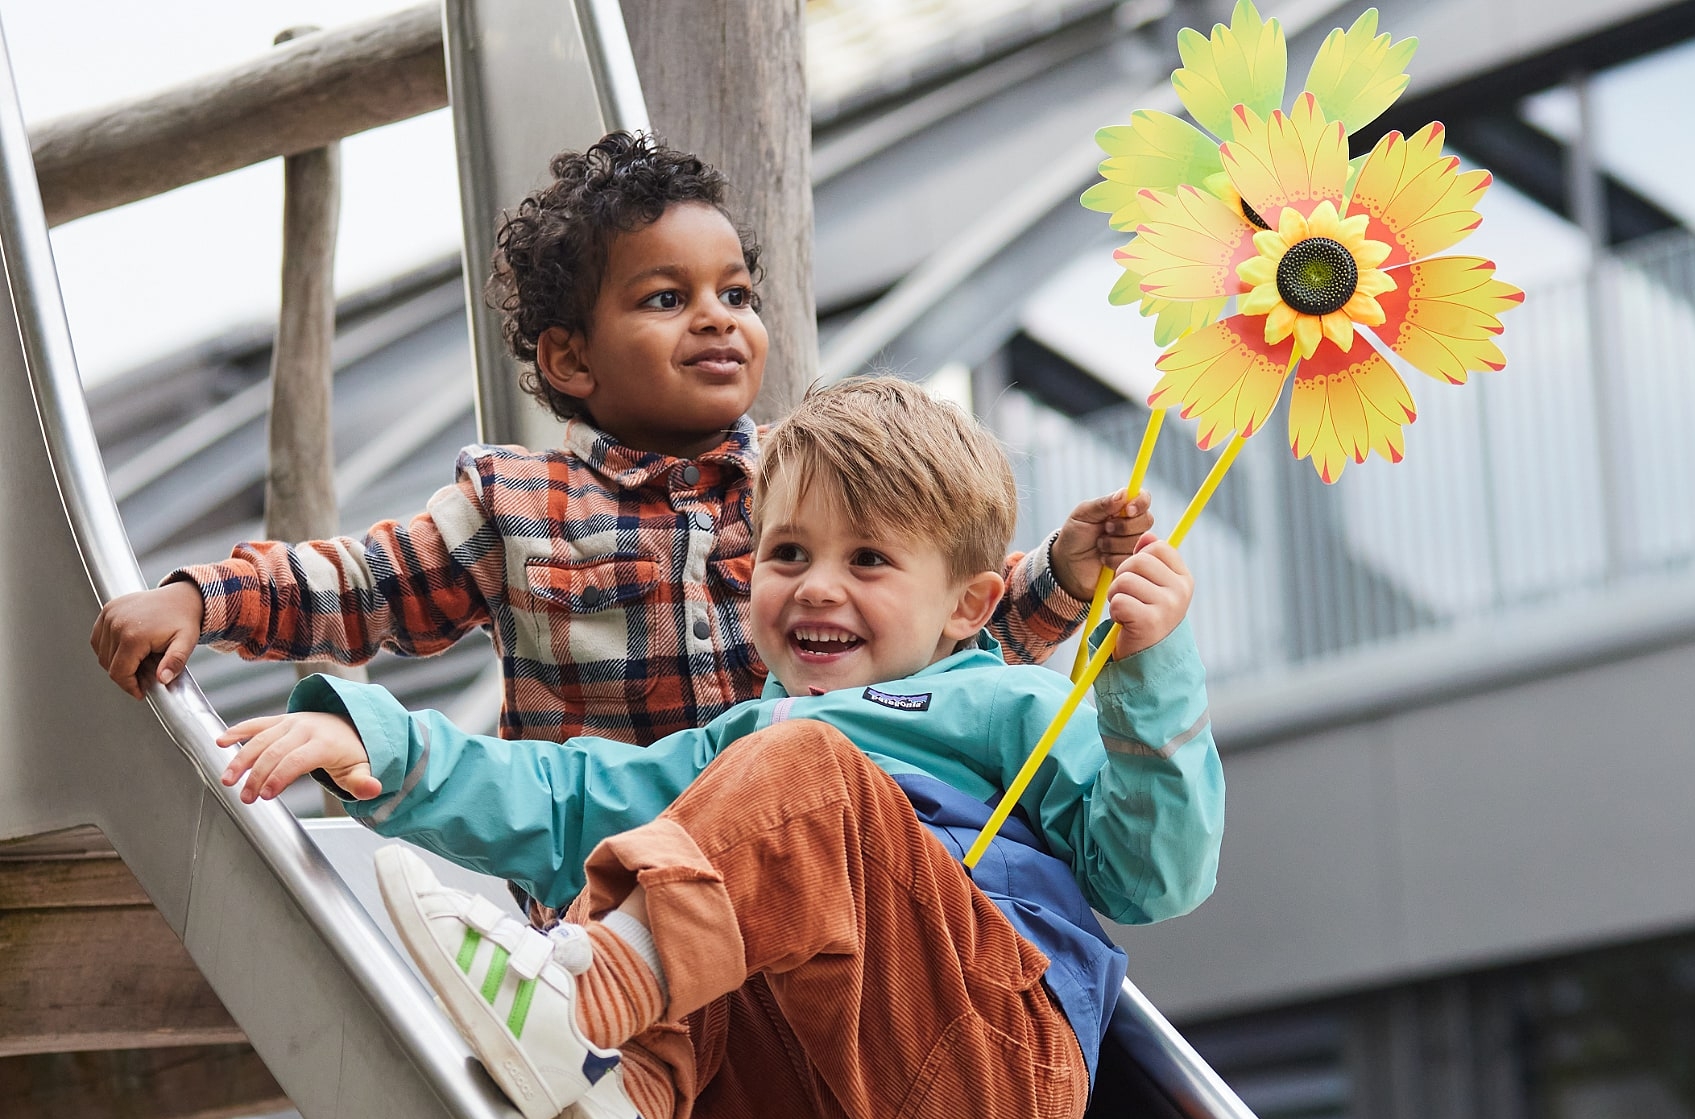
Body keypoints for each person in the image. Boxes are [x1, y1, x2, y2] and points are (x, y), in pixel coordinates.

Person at [213, 378, 1239, 1119]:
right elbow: (568, 800)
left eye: (868, 561)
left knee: (790, 775)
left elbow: (1152, 876)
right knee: (690, 857)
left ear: (970, 607)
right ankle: (619, 1115)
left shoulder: (1007, 702)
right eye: (788, 555)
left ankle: (590, 1011)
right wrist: (387, 749)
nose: (815, 588)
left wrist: (1149, 674)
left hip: (988, 1079)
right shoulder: (746, 749)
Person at [87, 131, 1151, 743]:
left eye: (735, 291)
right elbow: (361, 581)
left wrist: (1063, 569)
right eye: (664, 296)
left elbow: (941, 625)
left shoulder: (807, 480)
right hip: (608, 899)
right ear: (569, 360)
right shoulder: (516, 508)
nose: (718, 316)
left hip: (798, 868)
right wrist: (201, 598)